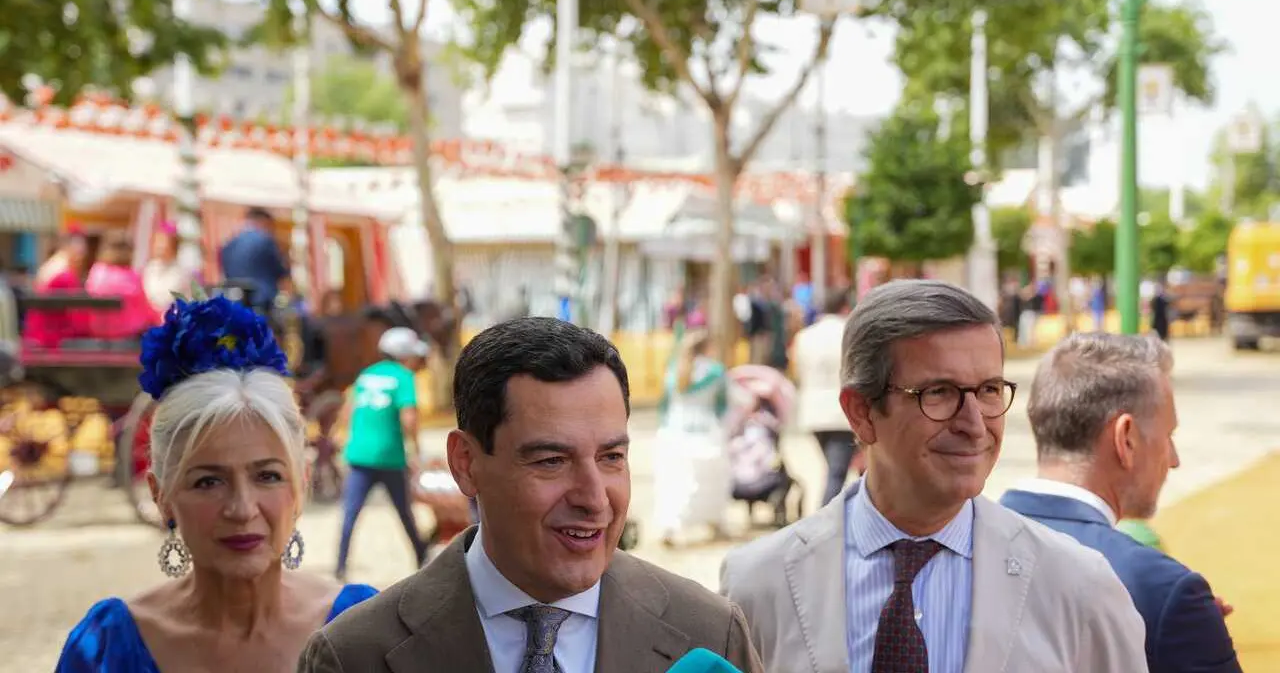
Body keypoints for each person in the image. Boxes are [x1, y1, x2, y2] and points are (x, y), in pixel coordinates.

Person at [720, 279, 1147, 673]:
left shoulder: (1077, 585)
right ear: (861, 413)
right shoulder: (758, 585)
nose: (975, 424)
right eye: (939, 393)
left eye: (989, 391)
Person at [298, 316, 765, 673]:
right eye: (551, 462)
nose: (594, 498)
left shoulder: (708, 634)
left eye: (611, 458)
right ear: (466, 463)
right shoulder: (356, 655)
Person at [56, 295, 376, 672]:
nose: (242, 508)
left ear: (300, 485)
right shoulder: (106, 650)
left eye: (267, 476)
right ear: (162, 496)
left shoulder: (363, 632)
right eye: (208, 481)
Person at [1001, 333, 1241, 672]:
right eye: (1168, 436)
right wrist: (1183, 622)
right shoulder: (1162, 591)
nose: (1173, 459)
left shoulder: (953, 549)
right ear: (1125, 439)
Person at [334, 326, 430, 581]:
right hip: (390, 456)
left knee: (350, 513)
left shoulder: (366, 374)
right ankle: (421, 556)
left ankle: (340, 565)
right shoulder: (403, 377)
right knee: (404, 512)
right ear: (405, 355)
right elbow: (409, 417)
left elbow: (347, 410)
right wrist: (416, 450)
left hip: (358, 454)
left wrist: (344, 441)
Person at [653, 328, 732, 546]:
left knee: (675, 481)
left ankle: (670, 526)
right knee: (710, 479)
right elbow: (723, 404)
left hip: (674, 431)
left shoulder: (673, 370)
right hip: (706, 431)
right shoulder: (715, 371)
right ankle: (713, 521)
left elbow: (665, 405)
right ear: (707, 347)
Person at [792, 286, 864, 507]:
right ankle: (826, 521)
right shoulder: (850, 334)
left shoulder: (804, 336)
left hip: (813, 410)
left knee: (834, 469)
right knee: (837, 472)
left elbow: (796, 372)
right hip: (841, 412)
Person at [84, 230, 160, 341]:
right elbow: (146, 310)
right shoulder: (131, 276)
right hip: (128, 335)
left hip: (98, 333)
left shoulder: (97, 272)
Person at [25, 230, 90, 348]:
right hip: (52, 338)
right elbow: (75, 314)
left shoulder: (52, 265)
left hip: (38, 334)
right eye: (81, 252)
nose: (82, 257)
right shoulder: (64, 274)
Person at [218, 207, 289, 311]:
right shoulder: (265, 240)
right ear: (264, 221)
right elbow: (280, 269)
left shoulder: (229, 243)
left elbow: (225, 269)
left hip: (235, 299)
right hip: (260, 298)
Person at [142, 221, 197, 314]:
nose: (160, 247)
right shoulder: (149, 268)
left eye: (163, 243)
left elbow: (167, 299)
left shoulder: (182, 272)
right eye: (158, 243)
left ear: (173, 246)